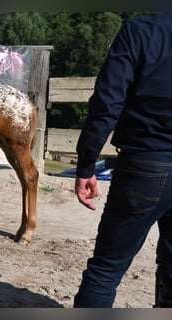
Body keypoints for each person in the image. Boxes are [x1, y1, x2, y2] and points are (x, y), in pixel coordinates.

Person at [74, 13, 172, 307]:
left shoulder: (141, 30)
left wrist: (87, 163)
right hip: (149, 161)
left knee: (106, 269)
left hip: (147, 161)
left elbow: (106, 102)